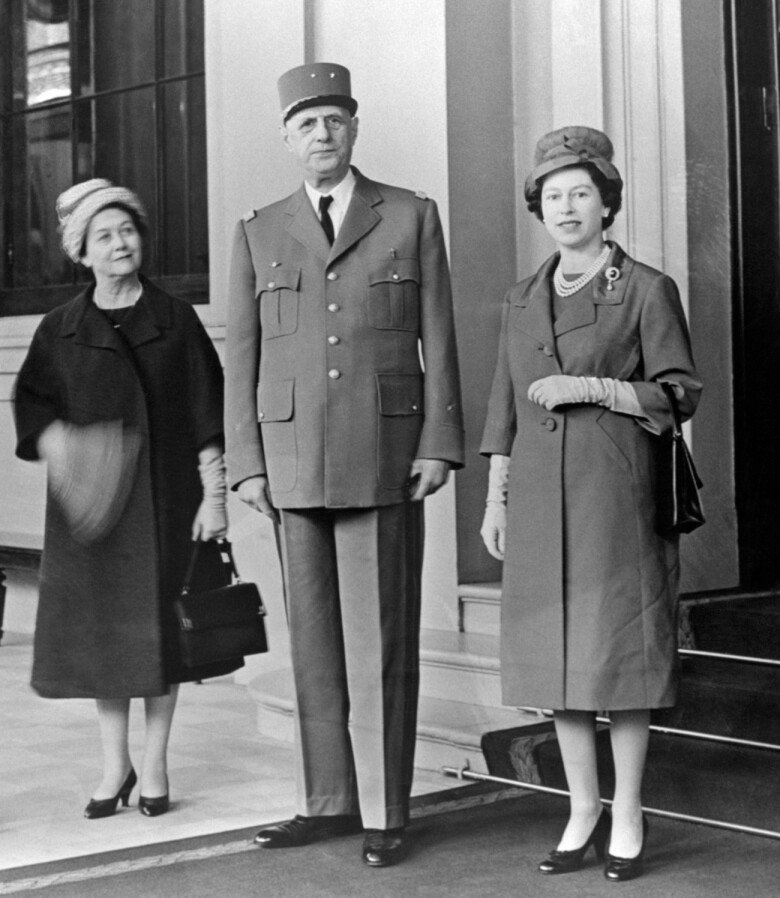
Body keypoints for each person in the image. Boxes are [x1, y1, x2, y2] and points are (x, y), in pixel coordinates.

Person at [225, 63, 464, 868]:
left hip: (387, 455)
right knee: (313, 644)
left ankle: (385, 809)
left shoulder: (409, 214)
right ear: (287, 139)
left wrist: (438, 442)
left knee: (381, 642)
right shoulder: (259, 229)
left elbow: (440, 336)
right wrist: (246, 464)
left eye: (333, 121)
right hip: (292, 461)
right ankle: (326, 800)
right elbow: (244, 360)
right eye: (305, 124)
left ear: (354, 129)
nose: (320, 136)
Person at [479, 126, 701, 883]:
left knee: (619, 664)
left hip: (616, 497)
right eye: (552, 196)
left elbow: (679, 392)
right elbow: (502, 406)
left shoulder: (644, 288)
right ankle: (580, 811)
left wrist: (598, 388)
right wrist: (495, 498)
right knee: (558, 666)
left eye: (581, 193)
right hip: (540, 500)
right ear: (538, 208)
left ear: (606, 203)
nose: (566, 206)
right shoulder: (520, 296)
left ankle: (629, 812)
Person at [13, 179, 231, 820]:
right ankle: (115, 765)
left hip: (166, 504)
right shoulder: (60, 329)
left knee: (161, 638)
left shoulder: (176, 319)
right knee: (108, 642)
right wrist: (66, 449)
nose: (119, 244)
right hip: (92, 513)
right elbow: (32, 405)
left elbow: (208, 412)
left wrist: (213, 498)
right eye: (103, 236)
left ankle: (157, 762)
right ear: (82, 252)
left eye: (127, 230)